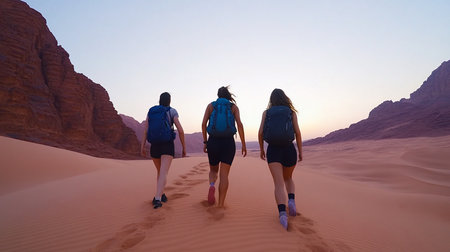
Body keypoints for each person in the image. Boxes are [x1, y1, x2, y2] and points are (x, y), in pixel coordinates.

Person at [258, 88, 303, 230]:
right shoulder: (291, 113)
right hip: (289, 149)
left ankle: (282, 214)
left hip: (273, 150)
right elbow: (298, 133)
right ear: (285, 98)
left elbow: (260, 133)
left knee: (278, 183)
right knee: (288, 178)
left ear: (272, 100)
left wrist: (261, 149)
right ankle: (291, 200)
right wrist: (300, 152)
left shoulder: (266, 113)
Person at [201, 86, 247, 208]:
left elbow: (203, 124)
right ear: (228, 95)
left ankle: (211, 185)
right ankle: (220, 204)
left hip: (213, 142)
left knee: (213, 170)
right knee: (224, 175)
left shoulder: (211, 106)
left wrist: (205, 142)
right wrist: (243, 144)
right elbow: (240, 125)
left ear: (218, 95)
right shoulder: (233, 107)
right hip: (228, 143)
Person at [141, 92, 186, 209]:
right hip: (167, 145)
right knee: (163, 173)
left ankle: (162, 194)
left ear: (159, 100)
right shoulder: (172, 111)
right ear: (169, 101)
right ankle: (157, 198)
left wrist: (142, 146)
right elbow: (180, 130)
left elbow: (146, 130)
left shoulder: (151, 111)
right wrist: (184, 147)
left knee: (160, 172)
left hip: (154, 146)